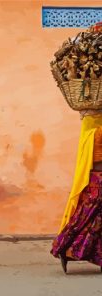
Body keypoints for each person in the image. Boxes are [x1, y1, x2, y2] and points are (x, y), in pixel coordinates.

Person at [51, 111, 102, 273]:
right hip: (99, 182)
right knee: (90, 221)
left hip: (92, 181)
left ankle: (65, 250)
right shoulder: (99, 134)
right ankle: (65, 250)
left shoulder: (89, 135)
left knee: (85, 219)